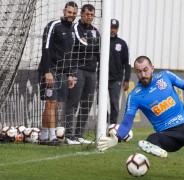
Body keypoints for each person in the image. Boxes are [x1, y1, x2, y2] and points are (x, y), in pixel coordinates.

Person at [97, 56, 184, 180]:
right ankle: (156, 147)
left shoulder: (165, 76)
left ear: (152, 68)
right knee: (152, 139)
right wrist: (117, 137)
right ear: (135, 73)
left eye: (145, 70)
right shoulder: (134, 95)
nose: (143, 74)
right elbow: (127, 121)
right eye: (138, 71)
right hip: (168, 135)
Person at [37, 1, 78, 146]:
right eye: (69, 12)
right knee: (51, 102)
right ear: (64, 11)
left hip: (62, 72)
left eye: (74, 13)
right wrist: (47, 71)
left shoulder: (73, 30)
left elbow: (69, 54)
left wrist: (69, 74)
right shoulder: (53, 25)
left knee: (52, 104)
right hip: (50, 70)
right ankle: (53, 137)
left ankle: (43, 136)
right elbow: (46, 48)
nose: (71, 15)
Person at [65, 4, 100, 145]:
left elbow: (99, 51)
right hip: (77, 69)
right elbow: (80, 44)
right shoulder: (75, 28)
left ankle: (79, 134)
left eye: (92, 15)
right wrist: (93, 45)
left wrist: (92, 45)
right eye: (87, 14)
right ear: (81, 14)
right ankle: (68, 134)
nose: (89, 17)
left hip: (92, 72)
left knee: (86, 104)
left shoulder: (96, 31)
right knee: (73, 102)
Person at [108, 19, 131, 125]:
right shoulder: (101, 41)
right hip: (102, 79)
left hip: (116, 79)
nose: (112, 30)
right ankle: (103, 124)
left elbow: (127, 62)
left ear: (117, 29)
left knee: (114, 102)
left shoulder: (122, 44)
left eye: (115, 28)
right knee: (101, 104)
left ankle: (113, 125)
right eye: (111, 27)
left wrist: (126, 79)